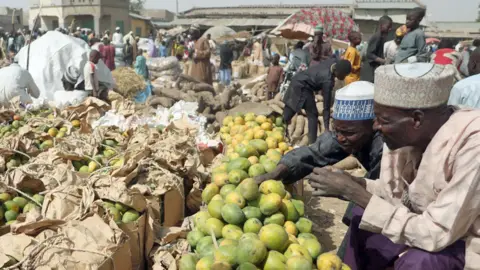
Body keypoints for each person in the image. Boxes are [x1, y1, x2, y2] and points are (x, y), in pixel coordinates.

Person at [307, 63, 480, 270]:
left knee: (420, 262)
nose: (376, 127)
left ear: (416, 119)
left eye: (383, 120)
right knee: (362, 216)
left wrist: (353, 191)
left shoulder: (472, 147)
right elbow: (397, 194)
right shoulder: (404, 137)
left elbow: (437, 233)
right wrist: (356, 184)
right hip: (423, 227)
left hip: (461, 242)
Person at [283, 59, 352, 143]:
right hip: (303, 86)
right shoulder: (328, 81)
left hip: (297, 79)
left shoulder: (331, 62)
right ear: (338, 72)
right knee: (312, 114)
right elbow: (326, 106)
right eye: (344, 75)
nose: (344, 78)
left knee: (290, 109)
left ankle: (279, 128)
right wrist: (326, 128)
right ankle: (312, 142)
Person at [360, 16, 392, 83]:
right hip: (370, 68)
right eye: (388, 27)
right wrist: (383, 61)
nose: (390, 29)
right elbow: (369, 54)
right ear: (381, 26)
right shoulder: (377, 37)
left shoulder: (383, 37)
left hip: (375, 67)